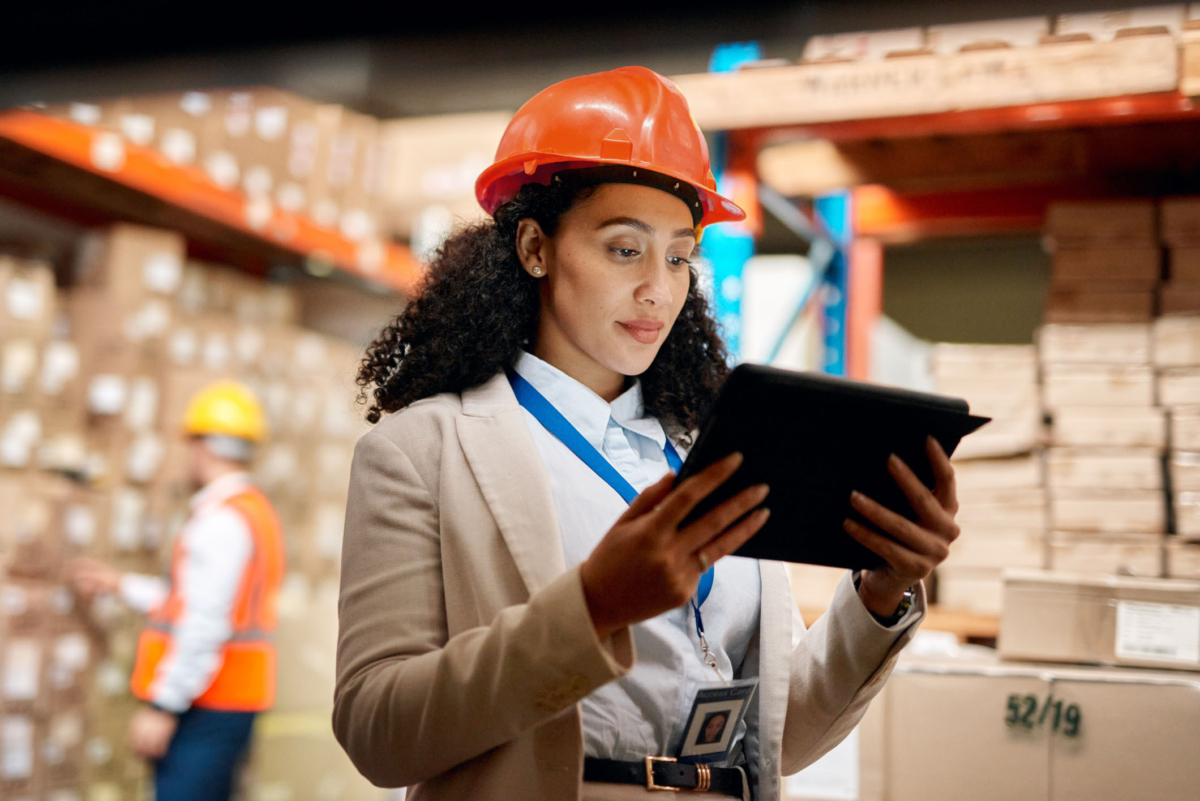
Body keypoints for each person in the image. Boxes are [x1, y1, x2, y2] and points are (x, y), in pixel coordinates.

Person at [336, 66, 960, 801]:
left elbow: (780, 736)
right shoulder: (422, 450)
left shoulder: (715, 450)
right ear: (535, 247)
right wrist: (593, 608)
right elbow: (378, 728)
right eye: (624, 249)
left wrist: (882, 591)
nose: (658, 290)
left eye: (677, 256)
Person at [69, 381, 286, 801]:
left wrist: (164, 707)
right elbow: (190, 602)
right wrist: (120, 585)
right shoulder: (252, 511)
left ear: (205, 446)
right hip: (229, 701)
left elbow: (204, 621)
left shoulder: (221, 521)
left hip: (206, 705)